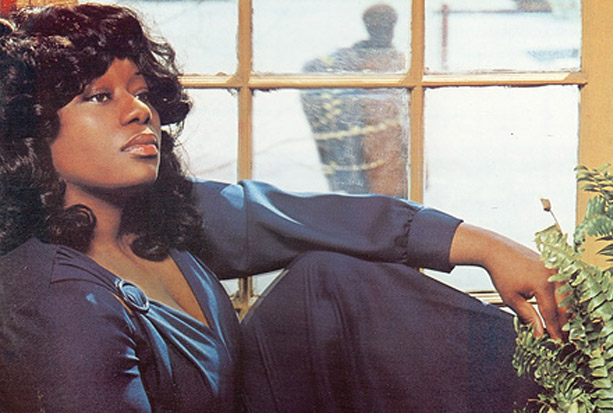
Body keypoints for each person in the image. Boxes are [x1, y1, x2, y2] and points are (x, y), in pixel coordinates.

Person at [0, 3, 566, 412]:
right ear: (34, 128)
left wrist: (487, 247)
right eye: (100, 96)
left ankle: (572, 383)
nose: (138, 111)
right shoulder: (56, 302)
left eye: (141, 92)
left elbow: (302, 217)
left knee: (331, 278)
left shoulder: (156, 215)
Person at [301, 3, 408, 197]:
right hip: (367, 158)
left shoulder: (401, 63)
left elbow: (411, 122)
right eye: (377, 25)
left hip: (393, 162)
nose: (382, 30)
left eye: (385, 25)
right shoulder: (347, 62)